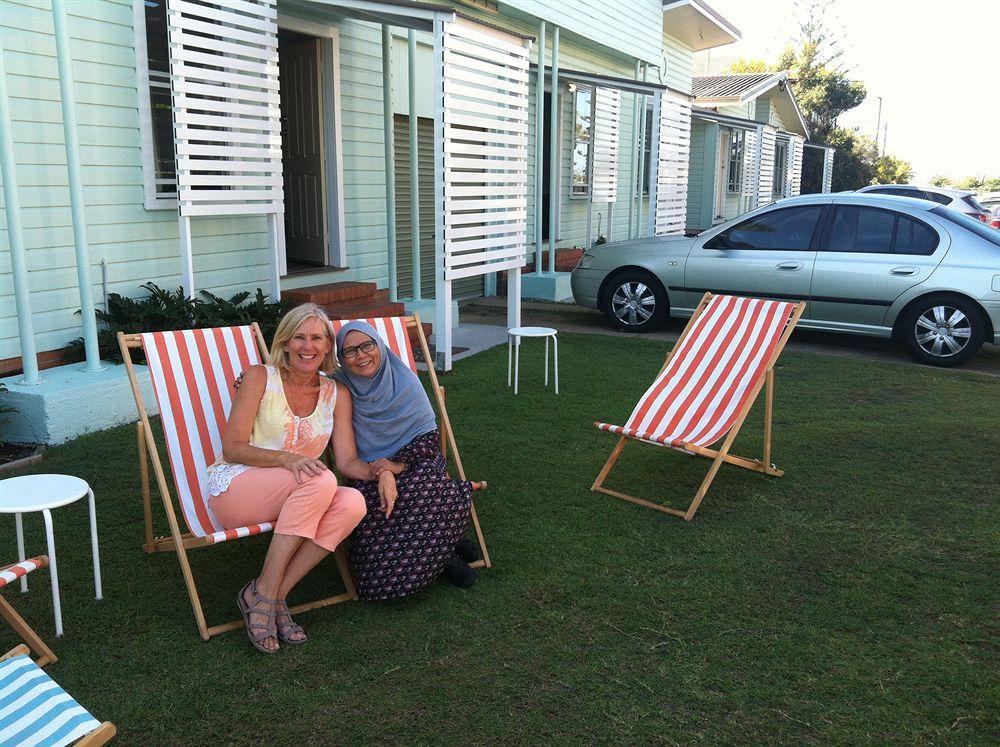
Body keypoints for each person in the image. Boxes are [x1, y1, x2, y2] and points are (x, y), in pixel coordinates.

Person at [205, 303, 368, 653]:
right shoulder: (259, 377)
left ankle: (270, 594)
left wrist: (384, 470)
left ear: (328, 347)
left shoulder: (336, 394)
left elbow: (348, 460)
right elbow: (233, 448)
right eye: (299, 337)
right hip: (237, 490)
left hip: (297, 495)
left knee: (353, 502)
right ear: (285, 342)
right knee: (321, 480)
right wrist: (286, 458)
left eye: (317, 338)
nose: (307, 346)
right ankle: (265, 594)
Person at [332, 321, 479, 601]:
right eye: (350, 351)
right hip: (367, 469)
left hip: (416, 459)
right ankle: (444, 550)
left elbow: (429, 440)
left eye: (367, 345)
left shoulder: (405, 380)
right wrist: (382, 472)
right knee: (376, 503)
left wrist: (395, 467)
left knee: (425, 490)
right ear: (341, 358)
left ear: (380, 346)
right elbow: (296, 388)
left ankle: (442, 557)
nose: (361, 355)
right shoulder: (337, 388)